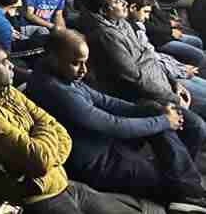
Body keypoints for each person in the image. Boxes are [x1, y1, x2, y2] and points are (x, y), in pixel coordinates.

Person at [0, 38, 142, 214]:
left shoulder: (6, 91)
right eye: (4, 62)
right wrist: (46, 153)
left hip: (58, 181)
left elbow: (61, 133)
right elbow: (39, 159)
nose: (11, 65)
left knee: (136, 210)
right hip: (35, 199)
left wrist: (47, 155)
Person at [27, 29, 206, 210]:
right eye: (76, 63)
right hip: (97, 161)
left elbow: (104, 101)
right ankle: (188, 192)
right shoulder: (55, 90)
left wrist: (156, 113)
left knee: (152, 108)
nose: (84, 70)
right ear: (53, 58)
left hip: (103, 142)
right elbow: (112, 125)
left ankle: (188, 192)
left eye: (85, 62)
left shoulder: (59, 72)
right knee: (167, 184)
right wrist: (164, 121)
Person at [79, 0, 204, 118]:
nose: (125, 3)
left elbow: (149, 55)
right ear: (104, 11)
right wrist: (174, 97)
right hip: (153, 92)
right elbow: (135, 77)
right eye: (118, 1)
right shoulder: (106, 36)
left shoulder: (122, 23)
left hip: (162, 78)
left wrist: (174, 82)